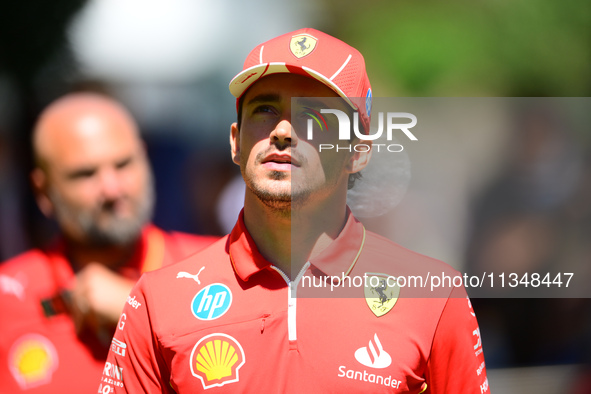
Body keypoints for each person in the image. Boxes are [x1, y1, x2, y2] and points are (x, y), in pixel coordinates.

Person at [101, 28, 489, 393]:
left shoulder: (435, 297)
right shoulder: (157, 299)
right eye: (265, 110)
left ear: (358, 152)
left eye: (314, 115)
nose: (283, 131)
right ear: (236, 142)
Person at [0, 92, 217, 393]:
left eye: (123, 164)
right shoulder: (8, 298)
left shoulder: (222, 265)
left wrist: (142, 313)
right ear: (44, 191)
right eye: (85, 174)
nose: (112, 189)